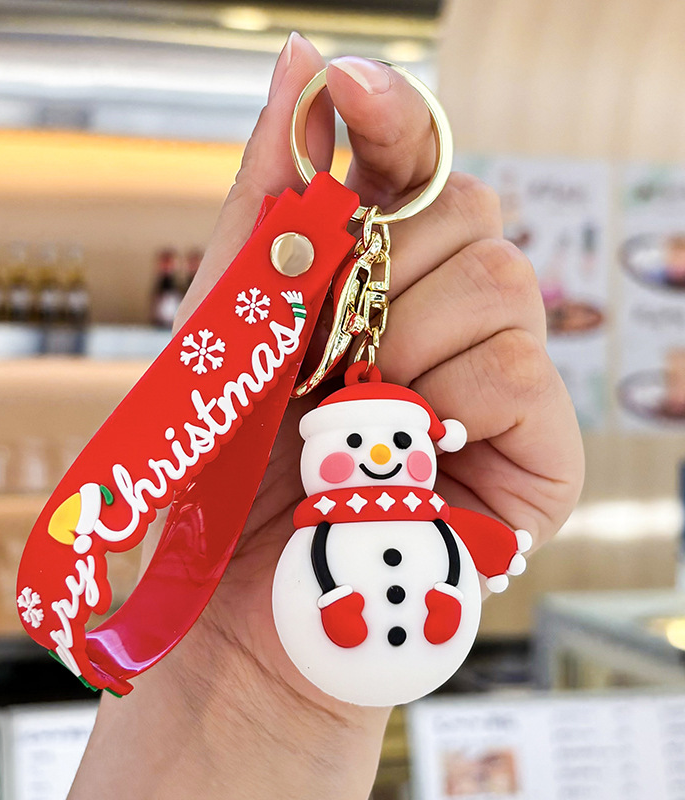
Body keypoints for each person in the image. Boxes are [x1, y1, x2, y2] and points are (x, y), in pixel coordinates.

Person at [70, 33, 584, 799]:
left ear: (429, 440)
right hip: (342, 612)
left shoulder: (375, 519)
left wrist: (276, 714)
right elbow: (349, 566)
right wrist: (239, 689)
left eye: (396, 443)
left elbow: (479, 543)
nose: (377, 458)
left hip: (420, 612)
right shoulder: (308, 541)